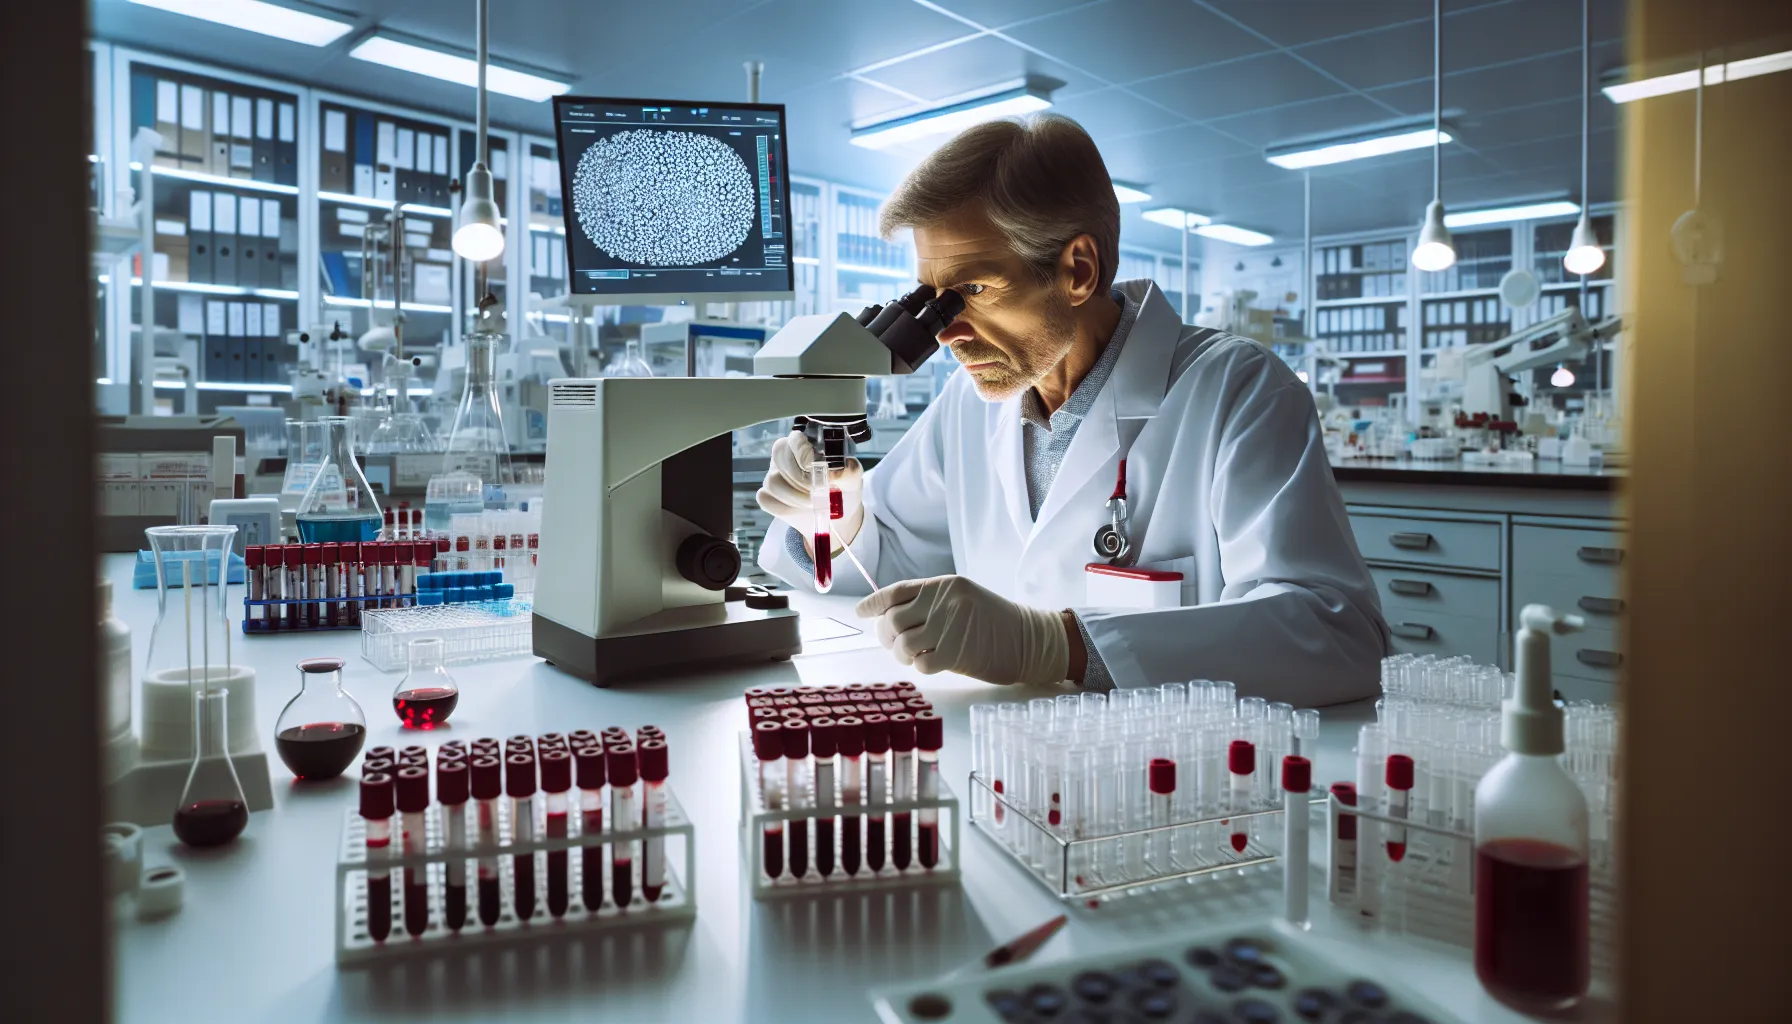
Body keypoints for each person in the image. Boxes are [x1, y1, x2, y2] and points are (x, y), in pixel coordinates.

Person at [757, 115, 1387, 705]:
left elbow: (1334, 634)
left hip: (1174, 778)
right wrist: (836, 522)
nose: (947, 333)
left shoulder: (1237, 388)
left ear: (1077, 270)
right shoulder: (969, 407)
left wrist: (1058, 647)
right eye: (934, 298)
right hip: (1001, 768)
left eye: (973, 290)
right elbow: (881, 573)